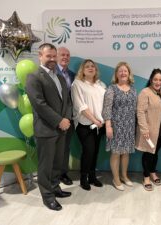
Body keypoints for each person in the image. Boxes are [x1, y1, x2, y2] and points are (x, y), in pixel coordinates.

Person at [26, 43, 72, 211]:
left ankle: (55, 188)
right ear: (40, 56)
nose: (52, 59)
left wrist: (66, 118)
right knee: (45, 166)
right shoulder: (34, 77)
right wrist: (59, 120)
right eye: (49, 56)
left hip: (62, 128)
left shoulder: (59, 77)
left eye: (54, 56)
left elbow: (67, 100)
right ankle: (47, 196)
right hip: (46, 129)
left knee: (57, 163)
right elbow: (39, 104)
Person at [71, 59, 106, 191]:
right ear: (82, 70)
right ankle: (83, 178)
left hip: (99, 125)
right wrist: (94, 120)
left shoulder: (100, 85)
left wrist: (102, 120)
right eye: (87, 66)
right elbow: (81, 106)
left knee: (95, 151)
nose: (90, 68)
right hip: (84, 124)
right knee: (88, 151)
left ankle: (92, 177)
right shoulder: (77, 84)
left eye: (93, 66)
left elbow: (105, 104)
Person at [102, 62, 137, 191]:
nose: (123, 73)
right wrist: (108, 126)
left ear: (129, 74)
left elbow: (134, 108)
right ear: (116, 74)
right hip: (116, 126)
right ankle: (116, 178)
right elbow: (107, 108)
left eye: (125, 71)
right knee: (116, 153)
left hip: (129, 126)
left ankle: (124, 176)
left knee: (126, 152)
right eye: (120, 71)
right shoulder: (111, 89)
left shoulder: (133, 89)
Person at [135, 68, 161, 191]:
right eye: (155, 79)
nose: (158, 82)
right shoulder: (145, 92)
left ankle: (153, 172)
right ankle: (146, 176)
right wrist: (144, 129)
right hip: (150, 131)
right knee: (148, 154)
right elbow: (140, 112)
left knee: (155, 153)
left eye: (160, 80)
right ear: (151, 80)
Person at [56, 46, 76, 185]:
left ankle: (63, 173)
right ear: (56, 56)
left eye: (67, 55)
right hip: (54, 118)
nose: (65, 57)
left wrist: (69, 117)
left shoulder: (72, 75)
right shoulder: (51, 73)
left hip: (69, 118)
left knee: (65, 147)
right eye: (62, 54)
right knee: (54, 148)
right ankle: (53, 175)